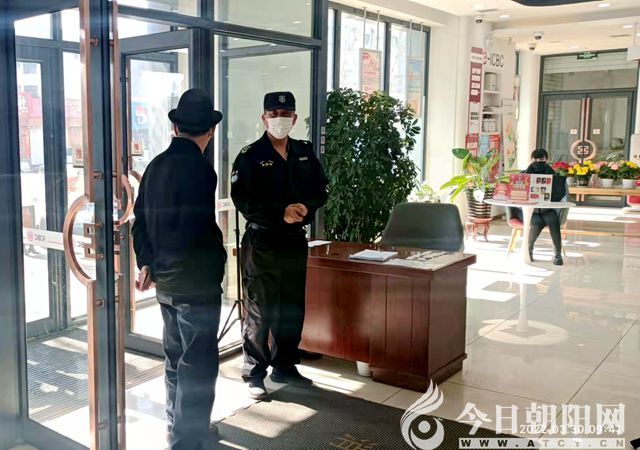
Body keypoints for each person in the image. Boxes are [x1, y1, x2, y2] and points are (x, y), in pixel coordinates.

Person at [132, 89, 226, 450]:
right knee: (198, 362)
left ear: (175, 127)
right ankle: (188, 438)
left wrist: (146, 262)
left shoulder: (155, 166)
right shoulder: (202, 170)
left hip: (165, 283)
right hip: (196, 283)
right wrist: (217, 261)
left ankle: (178, 426)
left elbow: (140, 220)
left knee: (175, 358)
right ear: (210, 131)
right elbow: (197, 230)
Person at [231, 91, 328, 400]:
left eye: (285, 114)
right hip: (262, 241)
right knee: (260, 309)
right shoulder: (250, 155)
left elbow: (321, 189)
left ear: (294, 118)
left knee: (291, 307)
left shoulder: (303, 151)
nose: (279, 119)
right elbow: (242, 199)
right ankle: (254, 373)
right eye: (273, 114)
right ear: (264, 118)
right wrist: (279, 213)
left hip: (293, 240)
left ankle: (284, 366)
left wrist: (306, 208)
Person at [510, 148, 566, 266]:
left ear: (546, 160)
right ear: (531, 159)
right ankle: (528, 250)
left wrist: (551, 173)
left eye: (541, 160)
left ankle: (557, 254)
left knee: (553, 219)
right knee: (537, 222)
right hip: (527, 211)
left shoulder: (553, 174)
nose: (538, 163)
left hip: (547, 209)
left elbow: (560, 194)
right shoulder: (522, 174)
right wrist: (528, 173)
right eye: (536, 160)